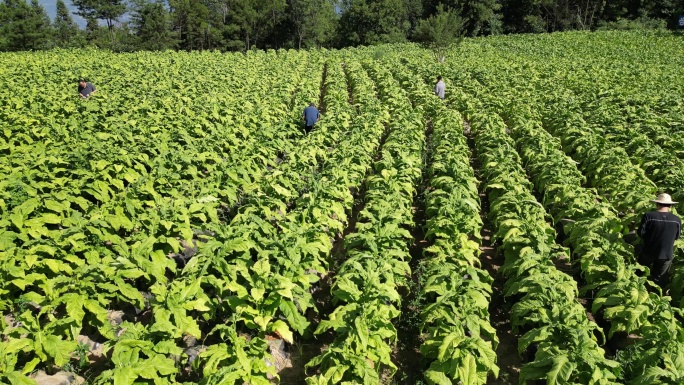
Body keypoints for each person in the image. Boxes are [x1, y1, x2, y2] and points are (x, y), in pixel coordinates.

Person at [637, 193, 681, 288]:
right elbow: (676, 237)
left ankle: (643, 290)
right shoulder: (676, 219)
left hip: (648, 252)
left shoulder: (649, 216)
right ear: (670, 205)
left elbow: (640, 233)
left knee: (640, 275)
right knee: (659, 280)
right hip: (666, 254)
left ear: (657, 204)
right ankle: (653, 296)